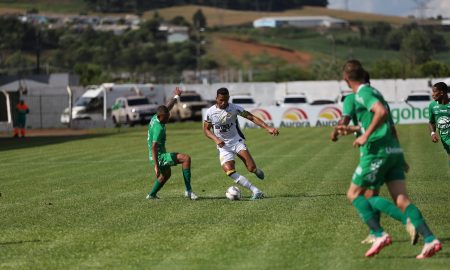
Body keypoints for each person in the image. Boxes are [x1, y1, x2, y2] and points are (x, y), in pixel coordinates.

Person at [334, 59, 441, 258]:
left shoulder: (363, 93)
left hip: (376, 152)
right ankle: (430, 239)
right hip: (392, 150)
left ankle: (379, 233)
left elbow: (380, 113)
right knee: (401, 199)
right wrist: (398, 154)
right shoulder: (377, 93)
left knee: (355, 194)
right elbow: (388, 124)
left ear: (346, 78)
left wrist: (365, 136)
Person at [331, 70, 417, 246]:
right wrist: (399, 154)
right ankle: (375, 232)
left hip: (372, 153)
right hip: (390, 150)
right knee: (372, 194)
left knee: (361, 195)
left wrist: (337, 131)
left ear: (349, 80)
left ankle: (400, 224)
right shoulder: (379, 97)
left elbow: (344, 120)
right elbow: (391, 128)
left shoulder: (352, 98)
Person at [203, 87, 279, 200]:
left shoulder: (234, 108)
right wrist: (216, 139)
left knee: (251, 168)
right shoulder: (210, 112)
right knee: (229, 171)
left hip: (236, 141)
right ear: (216, 99)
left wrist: (267, 127)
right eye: (220, 100)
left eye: (225, 100)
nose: (223, 103)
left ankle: (255, 170)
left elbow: (252, 117)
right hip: (223, 146)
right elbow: (206, 130)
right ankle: (256, 191)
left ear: (228, 98)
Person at [146, 87, 198, 200]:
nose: (168, 119)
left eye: (168, 116)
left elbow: (167, 107)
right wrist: (156, 166)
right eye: (166, 117)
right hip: (158, 157)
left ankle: (151, 195)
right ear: (160, 117)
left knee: (166, 175)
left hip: (155, 155)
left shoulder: (156, 116)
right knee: (186, 158)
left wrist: (176, 96)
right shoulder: (158, 128)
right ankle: (188, 191)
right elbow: (154, 146)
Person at [428, 82, 450, 165]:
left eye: (434, 92)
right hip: (444, 138)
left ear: (441, 93)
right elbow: (431, 122)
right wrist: (433, 133)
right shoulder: (432, 106)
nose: (432, 94)